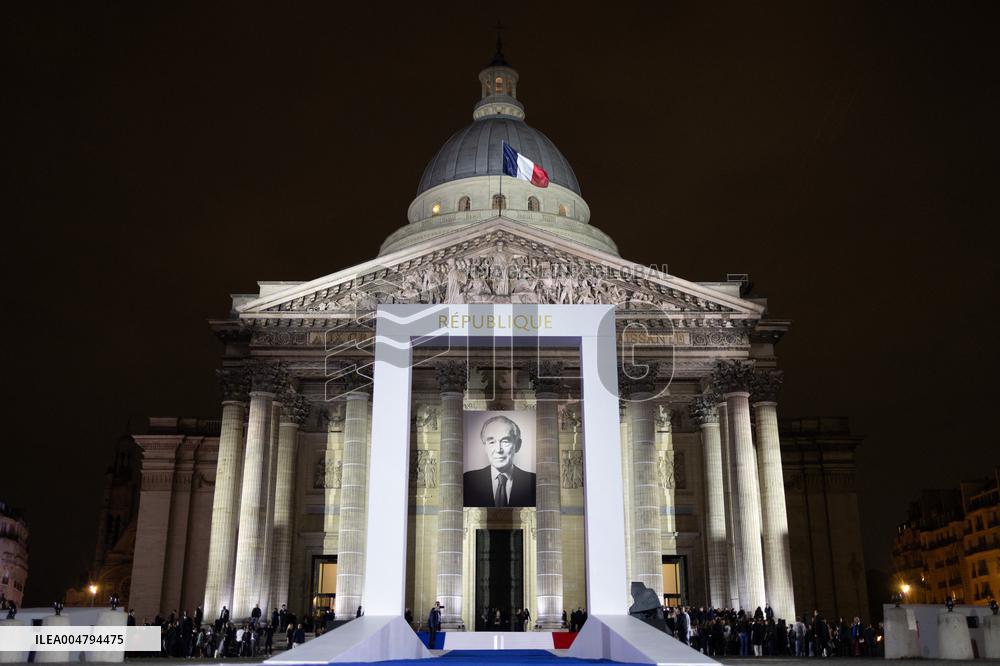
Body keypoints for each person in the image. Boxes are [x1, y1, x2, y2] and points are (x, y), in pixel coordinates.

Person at [463, 415, 536, 507]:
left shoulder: (534, 483)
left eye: (505, 441)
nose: (498, 449)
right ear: (485, 447)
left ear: (517, 445)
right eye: (492, 442)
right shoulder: (467, 481)